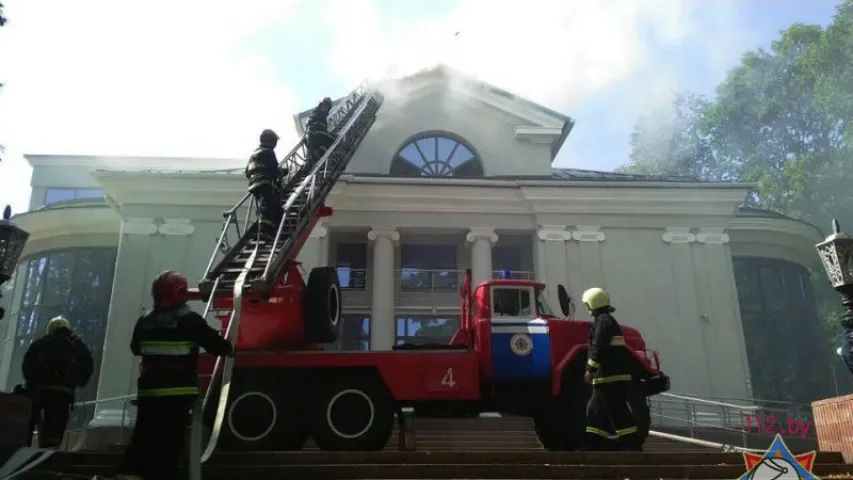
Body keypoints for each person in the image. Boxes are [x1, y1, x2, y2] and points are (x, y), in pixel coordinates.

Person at [115, 270, 236, 480]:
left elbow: (136, 348)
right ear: (181, 293)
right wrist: (231, 348)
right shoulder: (190, 321)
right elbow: (217, 346)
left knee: (142, 439)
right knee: (168, 443)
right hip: (178, 393)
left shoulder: (144, 321)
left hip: (149, 392)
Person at [581, 287, 641, 452]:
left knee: (618, 412)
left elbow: (598, 346)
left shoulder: (603, 322)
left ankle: (633, 448)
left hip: (611, 378)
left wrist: (590, 369)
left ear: (593, 302)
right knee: (594, 411)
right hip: (607, 378)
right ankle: (594, 445)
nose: (586, 308)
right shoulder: (606, 321)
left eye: (587, 304)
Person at [21, 316, 94, 448]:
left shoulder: (39, 344)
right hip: (62, 393)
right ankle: (49, 453)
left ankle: (23, 450)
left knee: (29, 423)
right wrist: (77, 381)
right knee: (55, 428)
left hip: (38, 391)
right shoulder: (76, 345)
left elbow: (27, 366)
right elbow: (88, 365)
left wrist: (32, 384)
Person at [245, 128, 287, 239]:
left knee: (270, 205)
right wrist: (283, 172)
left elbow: (246, 172)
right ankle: (264, 231)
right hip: (265, 182)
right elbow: (274, 170)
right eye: (274, 142)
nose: (275, 145)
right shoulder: (268, 152)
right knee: (268, 205)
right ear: (270, 141)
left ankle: (268, 230)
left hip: (254, 184)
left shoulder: (253, 154)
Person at [305, 97, 337, 171]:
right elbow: (310, 120)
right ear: (321, 105)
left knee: (331, 140)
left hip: (319, 136)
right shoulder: (316, 113)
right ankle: (328, 157)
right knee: (333, 139)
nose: (325, 108)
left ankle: (322, 157)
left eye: (327, 107)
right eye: (324, 106)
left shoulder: (322, 115)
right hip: (316, 134)